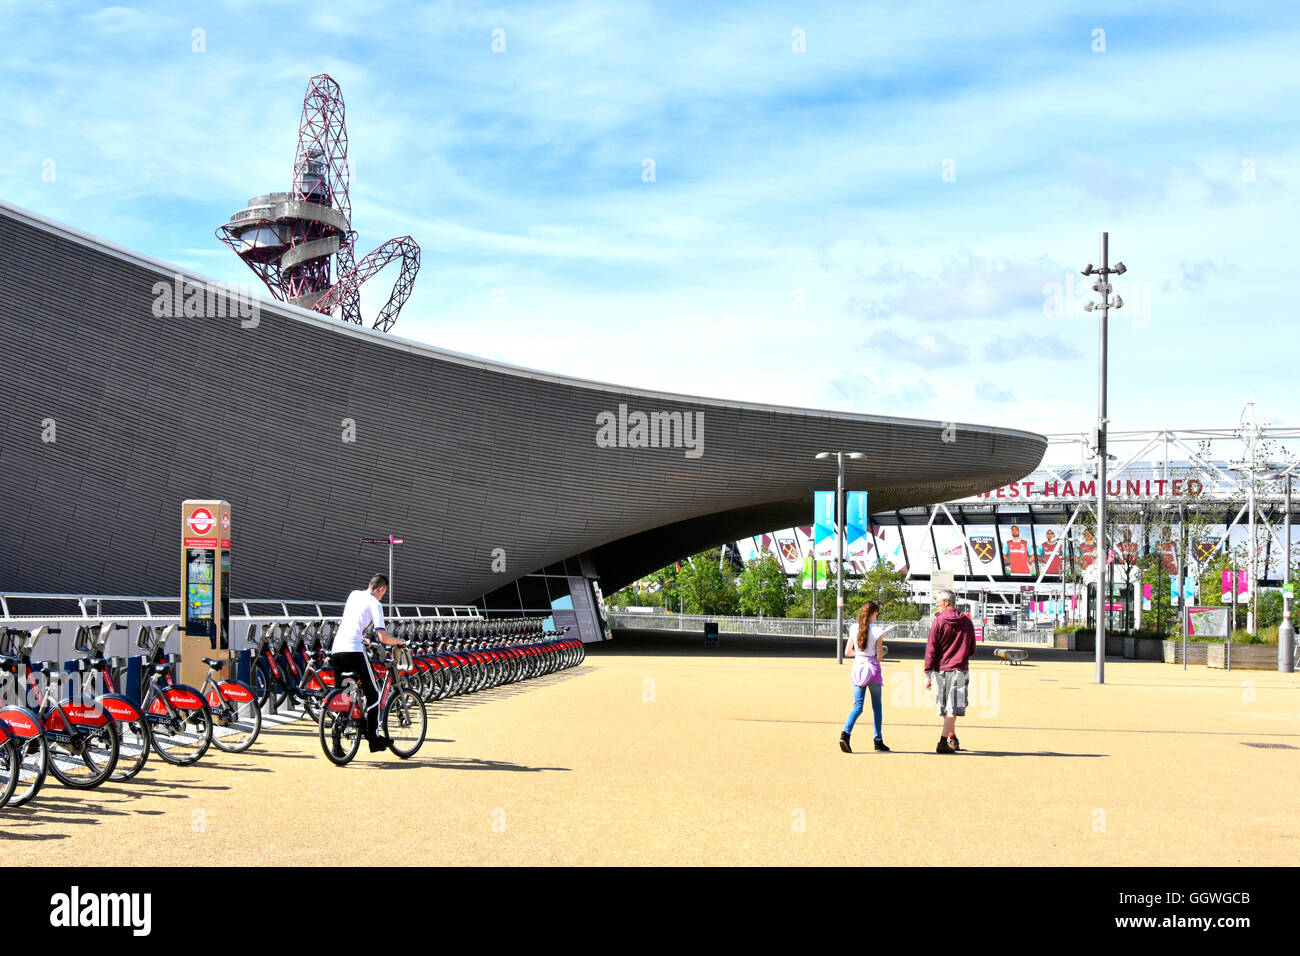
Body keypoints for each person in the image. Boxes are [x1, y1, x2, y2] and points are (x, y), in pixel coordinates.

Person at [330, 574, 407, 754]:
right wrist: (400, 641)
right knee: (374, 695)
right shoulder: (376, 604)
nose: (383, 596)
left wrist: (363, 639)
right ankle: (373, 739)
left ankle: (336, 744)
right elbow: (383, 637)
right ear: (380, 589)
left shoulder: (354, 594)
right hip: (354, 651)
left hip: (337, 649)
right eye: (384, 592)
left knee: (344, 696)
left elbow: (352, 624)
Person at [924, 589, 975, 754]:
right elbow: (972, 648)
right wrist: (961, 654)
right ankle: (945, 740)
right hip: (959, 669)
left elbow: (931, 649)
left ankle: (950, 739)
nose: (936, 604)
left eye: (937, 602)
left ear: (947, 602)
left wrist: (928, 674)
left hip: (941, 670)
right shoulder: (967, 622)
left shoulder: (938, 622)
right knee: (953, 708)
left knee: (947, 708)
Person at [840, 601, 889, 753]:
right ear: (873, 613)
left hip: (857, 668)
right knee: (877, 707)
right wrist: (876, 653)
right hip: (872, 670)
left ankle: (845, 734)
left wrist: (860, 654)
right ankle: (878, 740)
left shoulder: (854, 627)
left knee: (858, 706)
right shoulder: (878, 630)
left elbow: (848, 652)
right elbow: (879, 657)